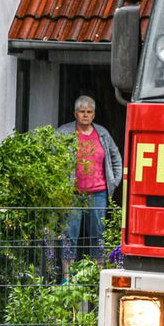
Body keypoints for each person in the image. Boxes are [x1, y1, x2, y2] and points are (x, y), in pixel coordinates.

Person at [57, 96, 122, 266]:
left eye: (89, 112)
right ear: (75, 114)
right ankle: (67, 277)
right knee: (69, 235)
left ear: (94, 115)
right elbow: (53, 158)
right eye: (81, 111)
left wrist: (113, 182)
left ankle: (96, 274)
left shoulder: (102, 134)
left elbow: (116, 158)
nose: (85, 115)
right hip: (72, 194)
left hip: (98, 193)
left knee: (98, 235)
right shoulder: (64, 133)